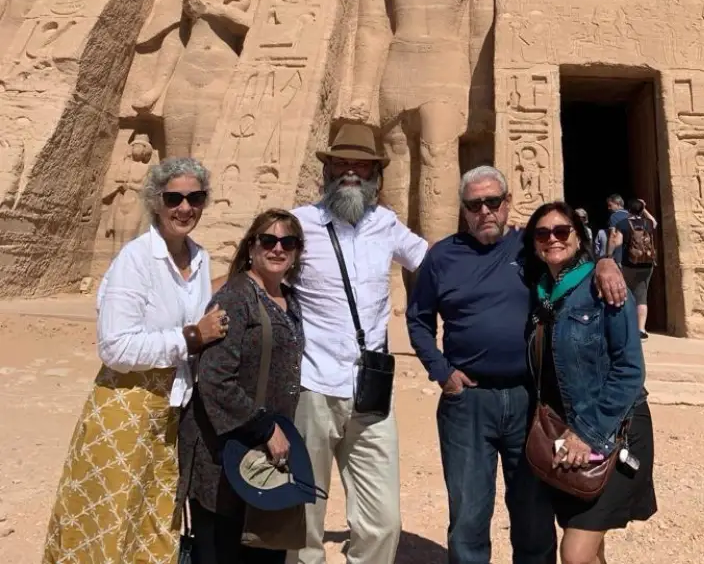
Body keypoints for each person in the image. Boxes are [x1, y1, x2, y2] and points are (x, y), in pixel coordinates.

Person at [406, 166, 627, 564]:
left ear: (507, 204)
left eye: (493, 201)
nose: (485, 211)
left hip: (530, 399)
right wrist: (441, 372)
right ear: (464, 209)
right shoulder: (442, 256)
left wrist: (605, 263)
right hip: (468, 400)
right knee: (469, 511)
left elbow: (572, 263)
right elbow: (418, 319)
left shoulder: (531, 247)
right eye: (475, 204)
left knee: (532, 513)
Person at [43, 158, 228, 564]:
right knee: (110, 520)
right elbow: (115, 347)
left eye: (195, 198)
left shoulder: (200, 259)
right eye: (174, 198)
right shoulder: (136, 259)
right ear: (156, 202)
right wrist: (192, 337)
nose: (185, 208)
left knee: (154, 520)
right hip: (125, 409)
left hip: (171, 416)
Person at [289, 122, 429, 564]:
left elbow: (437, 264)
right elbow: (252, 276)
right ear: (327, 170)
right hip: (313, 384)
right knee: (302, 516)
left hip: (370, 390)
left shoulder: (386, 224)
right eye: (342, 163)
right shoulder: (298, 224)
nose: (351, 172)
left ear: (375, 175)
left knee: (383, 521)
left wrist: (512, 257)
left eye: (361, 165)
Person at [523, 202, 656, 564]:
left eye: (562, 231)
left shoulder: (604, 288)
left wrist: (605, 261)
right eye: (542, 233)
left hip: (610, 430)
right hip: (564, 433)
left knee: (575, 552)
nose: (552, 239)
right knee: (591, 548)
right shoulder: (540, 293)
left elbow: (630, 369)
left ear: (579, 237)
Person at [178, 209, 305, 564]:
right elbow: (215, 377)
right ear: (251, 247)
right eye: (268, 240)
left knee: (266, 550)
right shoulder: (236, 297)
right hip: (226, 455)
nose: (277, 249)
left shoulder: (289, 300)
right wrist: (262, 426)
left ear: (297, 252)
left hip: (267, 455)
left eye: (288, 242)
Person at [608, 198, 658, 339]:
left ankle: (627, 326)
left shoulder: (623, 223)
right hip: (647, 264)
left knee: (625, 294)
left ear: (628, 210)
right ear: (641, 210)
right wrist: (645, 209)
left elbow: (617, 242)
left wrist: (609, 255)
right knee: (642, 296)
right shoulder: (647, 223)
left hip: (629, 264)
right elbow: (655, 222)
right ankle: (641, 329)